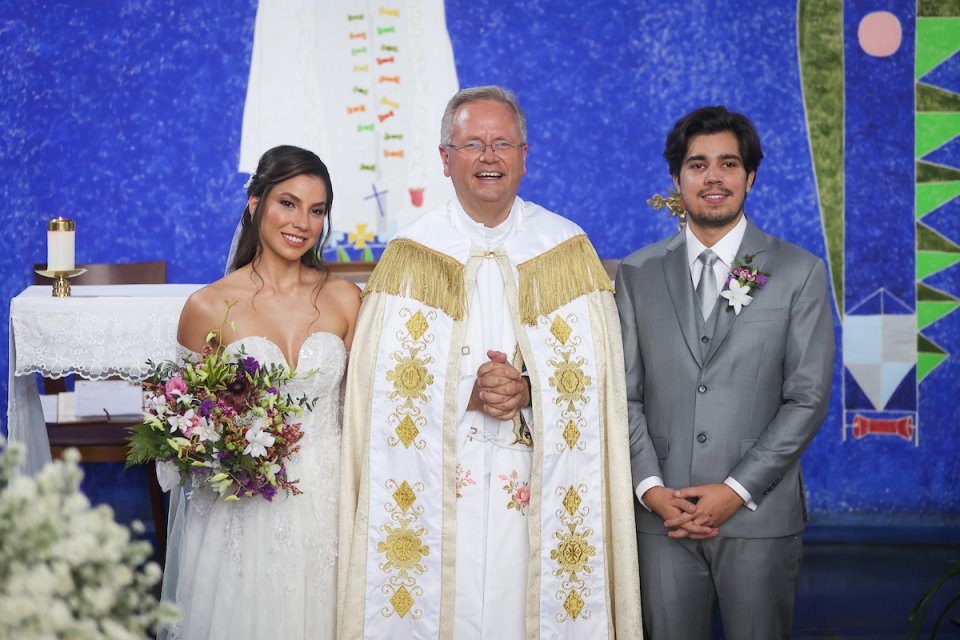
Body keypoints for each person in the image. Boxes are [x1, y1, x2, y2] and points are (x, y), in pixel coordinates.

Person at [337, 86, 642, 639]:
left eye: (502, 143)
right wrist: (466, 392)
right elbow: (374, 390)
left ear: (525, 156)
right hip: (440, 481)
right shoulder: (411, 255)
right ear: (445, 159)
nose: (489, 157)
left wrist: (530, 388)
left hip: (535, 479)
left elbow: (602, 383)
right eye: (472, 144)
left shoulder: (565, 249)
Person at [615, 106, 835, 639]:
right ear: (677, 178)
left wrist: (735, 489)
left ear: (750, 176)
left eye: (728, 163)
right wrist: (650, 488)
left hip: (759, 517)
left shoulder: (798, 272)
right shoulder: (637, 274)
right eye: (697, 165)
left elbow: (806, 399)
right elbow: (623, 395)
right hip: (661, 517)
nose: (713, 177)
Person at [160, 145, 360, 640]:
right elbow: (183, 429)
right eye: (288, 203)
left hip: (328, 508)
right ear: (256, 204)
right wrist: (224, 449)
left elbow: (362, 409)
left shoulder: (345, 299)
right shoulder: (207, 307)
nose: (302, 222)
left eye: (317, 210)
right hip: (242, 513)